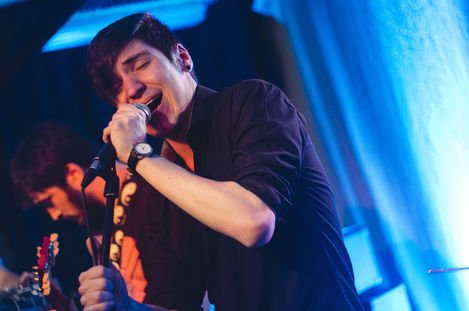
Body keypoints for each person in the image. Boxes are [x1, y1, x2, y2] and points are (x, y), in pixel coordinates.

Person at [78, 12, 364, 311]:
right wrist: (128, 306)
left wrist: (137, 155)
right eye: (115, 89)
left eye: (140, 65)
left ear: (182, 58)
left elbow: (254, 221)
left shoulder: (254, 102)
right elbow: (179, 305)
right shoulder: (155, 189)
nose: (131, 89)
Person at [9, 122, 152, 303]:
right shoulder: (103, 223)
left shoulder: (148, 194)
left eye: (49, 202)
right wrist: (58, 301)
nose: (54, 215)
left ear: (73, 174)